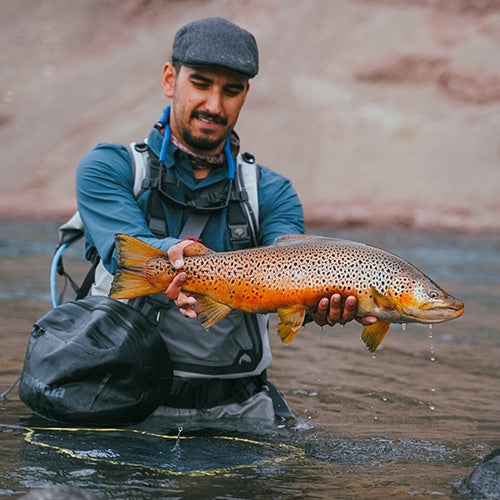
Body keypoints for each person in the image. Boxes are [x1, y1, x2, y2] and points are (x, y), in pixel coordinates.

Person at [76, 17, 377, 422]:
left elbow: (295, 265)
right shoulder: (109, 168)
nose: (215, 106)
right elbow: (123, 247)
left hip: (238, 410)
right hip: (121, 401)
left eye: (231, 91)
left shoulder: (273, 192)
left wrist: (318, 300)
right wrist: (173, 256)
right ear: (170, 79)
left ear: (245, 95)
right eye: (201, 84)